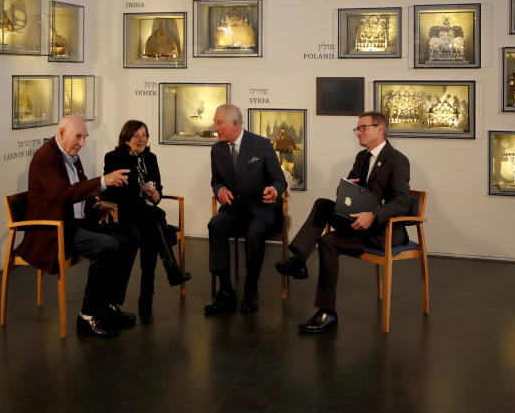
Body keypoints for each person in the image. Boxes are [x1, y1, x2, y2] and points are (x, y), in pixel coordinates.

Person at [276, 111, 411, 333]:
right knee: (322, 204)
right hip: (355, 220)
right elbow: (346, 191)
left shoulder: (397, 160)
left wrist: (374, 215)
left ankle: (327, 313)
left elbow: (403, 202)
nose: (358, 133)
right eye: (357, 129)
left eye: (362, 128)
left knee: (328, 241)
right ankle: (299, 260)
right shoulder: (362, 157)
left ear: (380, 129)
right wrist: (346, 186)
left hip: (379, 229)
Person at [15, 115, 138, 338]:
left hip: (75, 222)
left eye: (84, 138)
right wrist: (103, 181)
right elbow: (62, 195)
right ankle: (87, 316)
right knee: (107, 245)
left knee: (130, 236)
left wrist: (97, 205)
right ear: (61, 132)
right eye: (78, 137)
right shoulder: (46, 158)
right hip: (55, 229)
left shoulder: (70, 155)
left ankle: (109, 305)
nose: (82, 143)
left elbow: (78, 188)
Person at [102, 120, 191, 320]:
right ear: (126, 138)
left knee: (152, 227)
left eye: (145, 135)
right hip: (123, 210)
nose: (142, 139)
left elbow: (158, 185)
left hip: (144, 212)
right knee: (156, 218)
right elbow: (117, 190)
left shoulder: (150, 157)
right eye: (137, 136)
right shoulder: (114, 157)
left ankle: (149, 292)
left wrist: (157, 194)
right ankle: (165, 275)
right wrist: (140, 190)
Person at [206, 103, 287, 315]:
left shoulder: (261, 145)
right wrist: (220, 189)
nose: (215, 128)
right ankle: (225, 292)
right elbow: (215, 181)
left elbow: (279, 180)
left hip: (261, 207)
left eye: (219, 123)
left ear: (235, 123)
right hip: (234, 208)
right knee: (215, 225)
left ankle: (251, 291)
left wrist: (274, 190)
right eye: (216, 123)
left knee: (254, 234)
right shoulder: (217, 149)